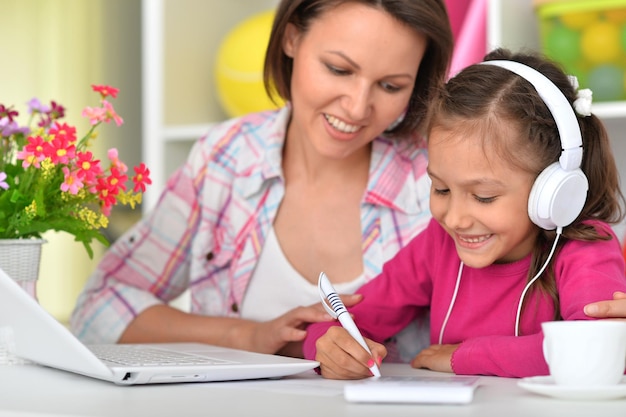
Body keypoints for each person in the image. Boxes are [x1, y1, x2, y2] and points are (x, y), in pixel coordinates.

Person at [70, 0, 454, 359]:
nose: (356, 107)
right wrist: (247, 336)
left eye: (391, 86)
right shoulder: (225, 158)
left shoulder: (438, 184)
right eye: (339, 69)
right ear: (291, 38)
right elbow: (98, 307)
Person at [303, 48, 626, 379]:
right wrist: (330, 346)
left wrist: (464, 356)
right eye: (441, 189)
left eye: (483, 197)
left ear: (553, 192)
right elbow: (348, 319)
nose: (455, 219)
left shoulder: (587, 248)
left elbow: (596, 350)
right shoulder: (437, 244)